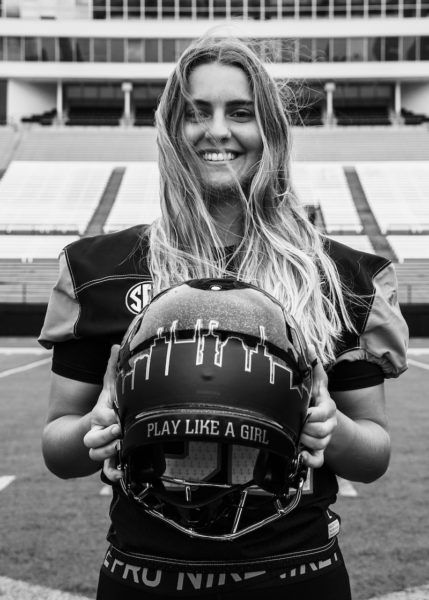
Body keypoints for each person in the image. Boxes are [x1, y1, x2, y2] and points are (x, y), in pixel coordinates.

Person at [39, 36, 408, 600]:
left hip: (297, 575)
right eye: (195, 112)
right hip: (144, 576)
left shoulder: (338, 274)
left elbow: (373, 455)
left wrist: (332, 429)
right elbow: (58, 448)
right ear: (170, 128)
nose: (217, 131)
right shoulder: (101, 269)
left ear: (271, 131)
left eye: (240, 112)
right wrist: (96, 427)